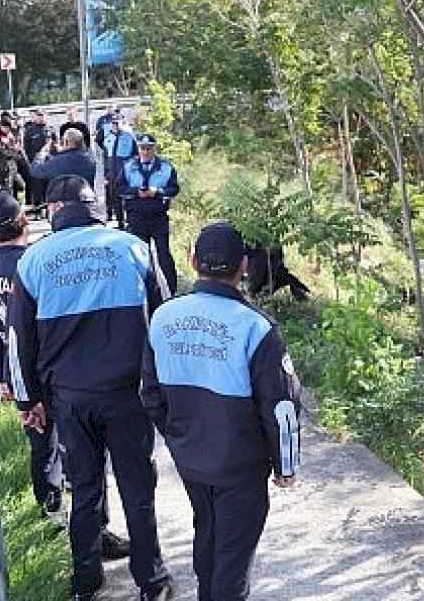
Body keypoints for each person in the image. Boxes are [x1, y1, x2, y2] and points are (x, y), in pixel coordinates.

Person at [7, 175, 173, 601]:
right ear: (94, 206)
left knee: (84, 489)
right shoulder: (134, 247)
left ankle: (87, 583)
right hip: (127, 395)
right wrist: (167, 389)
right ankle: (151, 582)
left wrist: (29, 401)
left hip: (70, 398)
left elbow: (18, 341)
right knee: (138, 488)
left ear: (54, 211)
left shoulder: (33, 261)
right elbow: (165, 319)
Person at [141, 221, 301, 601]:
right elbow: (281, 406)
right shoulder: (256, 328)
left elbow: (149, 392)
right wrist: (286, 464)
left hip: (191, 459)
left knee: (209, 534)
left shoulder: (163, 317)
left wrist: (180, 436)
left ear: (192, 260)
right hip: (241, 465)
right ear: (244, 266)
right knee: (233, 556)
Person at [0, 192, 129, 557]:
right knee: (82, 456)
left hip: (20, 375)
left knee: (41, 448)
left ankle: (50, 517)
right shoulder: (35, 263)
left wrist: (7, 378)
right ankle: (94, 532)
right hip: (53, 372)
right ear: (24, 220)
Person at [119, 134, 179, 294]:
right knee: (139, 256)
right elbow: (119, 188)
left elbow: (174, 189)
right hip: (136, 216)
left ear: (154, 149)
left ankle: (171, 290)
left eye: (149, 148)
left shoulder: (166, 167)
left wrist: (158, 192)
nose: (145, 152)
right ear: (138, 149)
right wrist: (135, 192)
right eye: (142, 148)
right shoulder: (128, 166)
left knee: (163, 254)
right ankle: (140, 290)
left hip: (158, 217)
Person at [102, 117, 136, 226]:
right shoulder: (109, 137)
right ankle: (120, 221)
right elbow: (106, 155)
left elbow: (136, 154)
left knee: (127, 197)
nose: (115, 125)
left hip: (125, 170)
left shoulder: (129, 136)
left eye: (117, 123)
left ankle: (130, 221)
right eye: (113, 123)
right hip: (112, 170)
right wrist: (106, 173)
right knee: (115, 197)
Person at [23, 110, 53, 206]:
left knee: (49, 187)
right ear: (35, 117)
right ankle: (37, 209)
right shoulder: (30, 131)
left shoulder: (50, 130)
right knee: (37, 187)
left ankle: (49, 208)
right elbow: (26, 148)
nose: (41, 118)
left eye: (42, 115)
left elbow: (56, 145)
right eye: (39, 116)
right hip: (36, 163)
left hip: (49, 163)